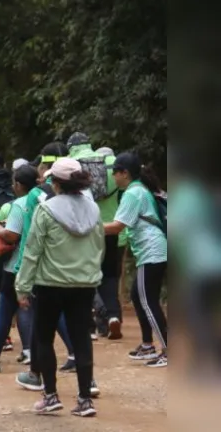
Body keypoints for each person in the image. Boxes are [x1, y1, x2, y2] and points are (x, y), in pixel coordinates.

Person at [15, 158, 104, 417]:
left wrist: (22, 286)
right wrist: (92, 274)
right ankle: (85, 399)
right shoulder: (94, 210)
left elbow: (32, 251)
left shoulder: (46, 210)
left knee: (44, 337)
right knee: (81, 339)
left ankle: (51, 395)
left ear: (56, 183)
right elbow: (99, 247)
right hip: (84, 284)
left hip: (50, 284)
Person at [0, 164, 42, 372]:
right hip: (40, 263)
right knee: (49, 311)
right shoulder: (44, 201)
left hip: (16, 265)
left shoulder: (19, 205)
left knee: (4, 311)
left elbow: (11, 235)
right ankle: (72, 352)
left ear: (19, 185)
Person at [104, 152, 168, 367]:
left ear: (125, 173)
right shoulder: (139, 190)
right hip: (153, 251)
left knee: (148, 301)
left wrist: (88, 226)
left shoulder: (133, 193)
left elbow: (116, 226)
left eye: (115, 172)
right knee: (138, 296)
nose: (113, 177)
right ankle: (148, 345)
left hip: (152, 251)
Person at [68, 132, 123, 340]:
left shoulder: (71, 164)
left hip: (84, 229)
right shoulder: (112, 161)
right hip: (112, 227)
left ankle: (90, 323)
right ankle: (113, 316)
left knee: (86, 275)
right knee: (109, 275)